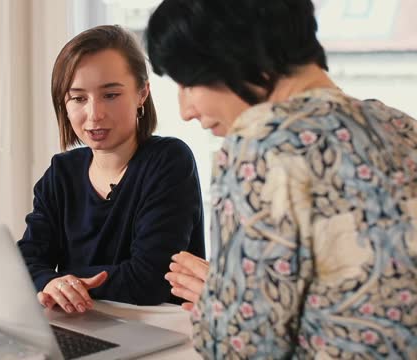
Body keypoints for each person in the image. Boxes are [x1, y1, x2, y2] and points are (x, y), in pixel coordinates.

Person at [146, 0, 417, 358]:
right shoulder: (400, 126)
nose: (186, 111)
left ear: (232, 54)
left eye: (188, 83)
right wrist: (236, 291)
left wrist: (223, 307)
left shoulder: (261, 141)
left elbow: (239, 350)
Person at [17, 25, 205, 314]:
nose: (94, 115)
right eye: (78, 98)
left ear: (142, 93)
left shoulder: (169, 160)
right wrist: (49, 282)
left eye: (111, 95)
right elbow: (25, 261)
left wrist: (63, 283)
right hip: (82, 322)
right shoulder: (61, 173)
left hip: (158, 330)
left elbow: (149, 280)